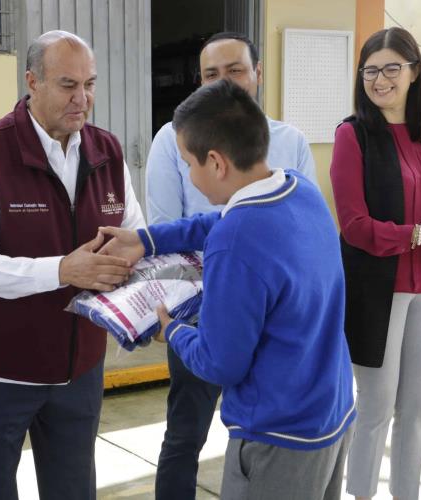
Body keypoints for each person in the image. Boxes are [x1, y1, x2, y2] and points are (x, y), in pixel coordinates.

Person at [100, 79, 355, 499]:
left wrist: (174, 331)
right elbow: (215, 223)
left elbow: (222, 364)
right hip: (331, 414)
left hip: (276, 437)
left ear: (216, 163)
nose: (189, 175)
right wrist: (147, 240)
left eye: (188, 163)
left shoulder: (235, 241)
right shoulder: (298, 189)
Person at [0, 30, 145, 500]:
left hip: (80, 366)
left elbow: (133, 234)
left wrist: (138, 265)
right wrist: (62, 271)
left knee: (74, 489)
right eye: (68, 85)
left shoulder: (108, 152)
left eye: (90, 84)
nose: (83, 99)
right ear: (32, 82)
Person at [144, 31, 317, 499]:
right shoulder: (172, 141)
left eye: (235, 71)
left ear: (258, 75)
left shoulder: (290, 142)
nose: (222, 83)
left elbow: (296, 234)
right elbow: (174, 230)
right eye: (210, 75)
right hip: (201, 311)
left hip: (276, 324)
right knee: (186, 435)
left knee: (256, 442)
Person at [329, 27, 421, 500]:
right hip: (379, 289)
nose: (380, 80)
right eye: (371, 70)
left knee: (417, 408)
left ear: (415, 72)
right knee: (375, 406)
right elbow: (355, 226)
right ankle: (362, 495)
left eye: (392, 68)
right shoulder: (352, 135)